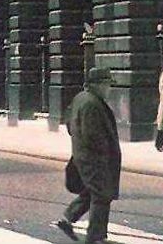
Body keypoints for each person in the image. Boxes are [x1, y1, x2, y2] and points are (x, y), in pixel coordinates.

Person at [55, 67, 121, 244]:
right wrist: (105, 152)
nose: (109, 89)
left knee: (93, 191)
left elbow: (69, 123)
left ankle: (68, 218)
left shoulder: (81, 98)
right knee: (102, 194)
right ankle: (96, 237)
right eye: (107, 85)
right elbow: (92, 134)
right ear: (98, 85)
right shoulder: (92, 103)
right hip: (94, 158)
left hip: (83, 155)